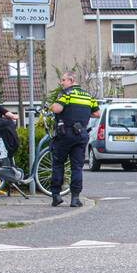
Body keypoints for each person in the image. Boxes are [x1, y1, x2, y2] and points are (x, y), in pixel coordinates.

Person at [49, 72, 100, 207]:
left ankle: (56, 195)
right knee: (77, 167)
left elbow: (57, 108)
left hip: (65, 134)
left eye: (63, 80)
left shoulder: (66, 94)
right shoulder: (88, 95)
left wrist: (53, 106)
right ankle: (75, 198)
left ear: (71, 80)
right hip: (81, 134)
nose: (62, 83)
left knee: (58, 164)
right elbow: (96, 113)